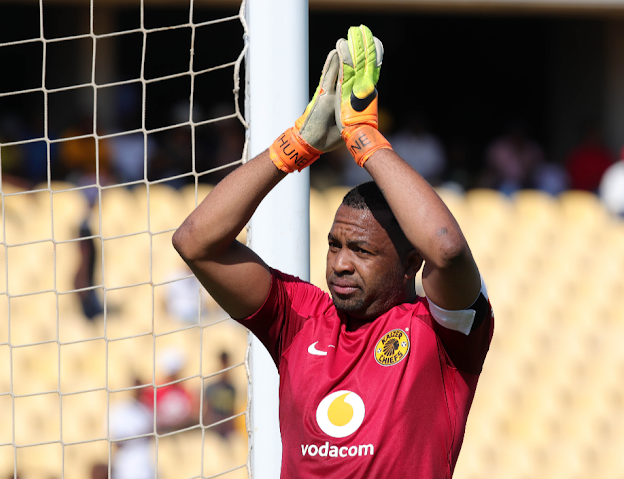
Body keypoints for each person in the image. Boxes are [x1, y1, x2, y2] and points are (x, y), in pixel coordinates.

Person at [172, 25, 493, 477]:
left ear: (409, 263)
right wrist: (295, 147)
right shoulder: (299, 318)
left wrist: (363, 137)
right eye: (334, 245)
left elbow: (448, 249)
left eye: (361, 250)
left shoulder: (442, 334)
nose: (340, 263)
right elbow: (195, 242)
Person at [204, 351, 237, 439]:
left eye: (227, 365)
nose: (225, 369)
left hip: (228, 432)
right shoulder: (211, 388)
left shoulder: (232, 389)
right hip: (213, 431)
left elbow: (232, 413)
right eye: (223, 365)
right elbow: (206, 413)